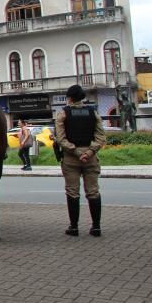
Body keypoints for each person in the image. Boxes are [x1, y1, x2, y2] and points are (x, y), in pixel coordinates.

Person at [56, 84, 106, 237]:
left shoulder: (63, 114)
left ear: (69, 98)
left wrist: (77, 152)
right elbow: (101, 137)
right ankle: (96, 227)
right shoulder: (93, 113)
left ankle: (74, 227)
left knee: (72, 192)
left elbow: (61, 139)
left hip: (71, 158)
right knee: (93, 191)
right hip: (90, 159)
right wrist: (89, 152)